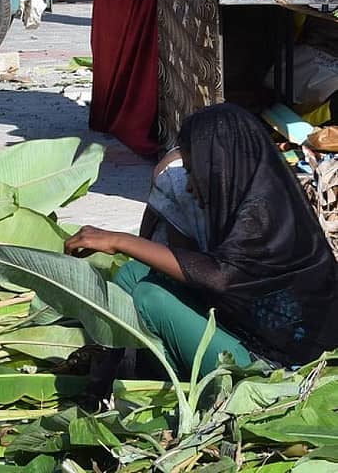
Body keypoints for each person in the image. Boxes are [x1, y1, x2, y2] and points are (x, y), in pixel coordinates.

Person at [65, 104, 338, 378]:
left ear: (219, 169)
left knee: (150, 299)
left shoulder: (262, 211)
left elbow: (219, 277)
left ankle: (161, 377)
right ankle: (124, 365)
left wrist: (118, 241)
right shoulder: (257, 186)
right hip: (243, 326)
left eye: (192, 172)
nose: (188, 185)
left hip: (274, 363)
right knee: (132, 275)